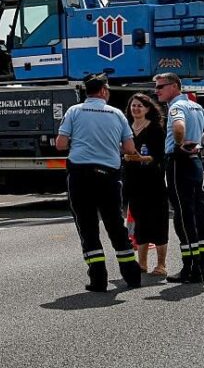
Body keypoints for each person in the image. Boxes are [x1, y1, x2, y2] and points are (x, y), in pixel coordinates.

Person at [56, 74, 142, 292]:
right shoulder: (117, 114)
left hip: (80, 175)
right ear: (104, 91)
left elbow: (60, 144)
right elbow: (130, 149)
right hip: (109, 176)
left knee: (87, 226)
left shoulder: (74, 111)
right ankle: (131, 275)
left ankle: (98, 279)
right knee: (115, 224)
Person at [154, 72, 204, 283]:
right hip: (196, 161)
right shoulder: (197, 106)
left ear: (174, 86)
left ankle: (191, 267)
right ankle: (201, 264)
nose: (157, 91)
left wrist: (178, 145)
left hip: (179, 162)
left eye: (160, 87)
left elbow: (178, 126)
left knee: (183, 216)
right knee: (198, 213)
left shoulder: (176, 107)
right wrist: (198, 146)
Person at [122, 94, 168, 276]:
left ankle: (161, 264)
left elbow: (159, 156)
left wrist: (143, 158)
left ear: (148, 108)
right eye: (133, 106)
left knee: (158, 222)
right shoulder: (126, 128)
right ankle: (142, 264)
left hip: (154, 181)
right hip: (133, 182)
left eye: (140, 106)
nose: (136, 109)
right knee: (140, 222)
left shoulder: (156, 129)